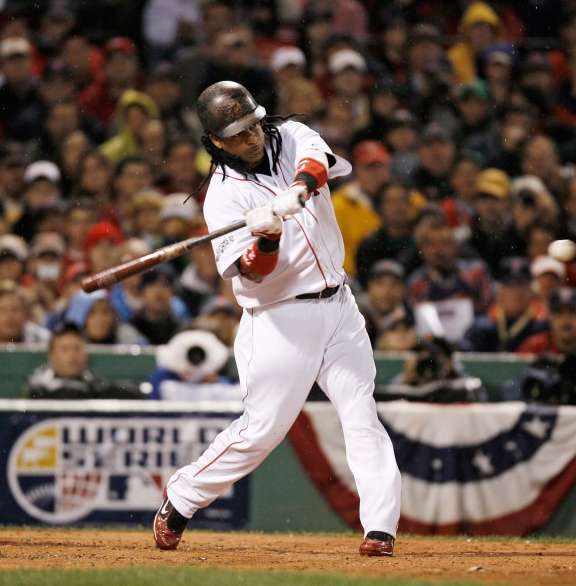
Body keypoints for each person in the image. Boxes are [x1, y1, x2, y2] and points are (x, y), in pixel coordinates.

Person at [153, 81, 401, 557]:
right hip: (280, 320)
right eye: (237, 133)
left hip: (340, 307)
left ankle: (380, 529)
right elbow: (251, 273)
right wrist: (266, 237)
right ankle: (183, 497)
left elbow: (317, 162)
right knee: (262, 430)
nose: (251, 137)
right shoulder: (223, 198)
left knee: (361, 415)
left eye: (252, 125)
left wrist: (299, 190)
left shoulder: (287, 135)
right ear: (215, 141)